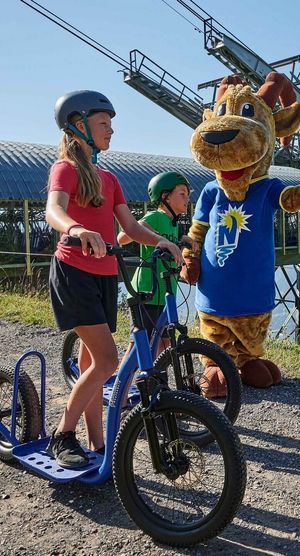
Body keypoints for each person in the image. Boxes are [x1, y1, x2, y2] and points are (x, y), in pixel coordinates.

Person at [45, 90, 184, 468]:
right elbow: (53, 211)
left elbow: (130, 226)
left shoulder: (109, 177)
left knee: (93, 362)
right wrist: (76, 229)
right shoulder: (66, 169)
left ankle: (95, 442)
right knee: (106, 363)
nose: (111, 129)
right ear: (79, 126)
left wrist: (162, 242)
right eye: (104, 123)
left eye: (111, 123)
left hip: (107, 276)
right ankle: (62, 435)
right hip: (74, 272)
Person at [117, 171, 194, 355]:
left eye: (188, 195)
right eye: (182, 194)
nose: (187, 199)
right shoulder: (155, 216)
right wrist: (156, 237)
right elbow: (123, 237)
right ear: (165, 196)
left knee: (165, 342)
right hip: (147, 291)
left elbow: (169, 243)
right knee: (139, 345)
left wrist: (182, 239)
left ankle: (156, 380)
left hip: (166, 293)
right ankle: (123, 382)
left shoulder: (173, 224)